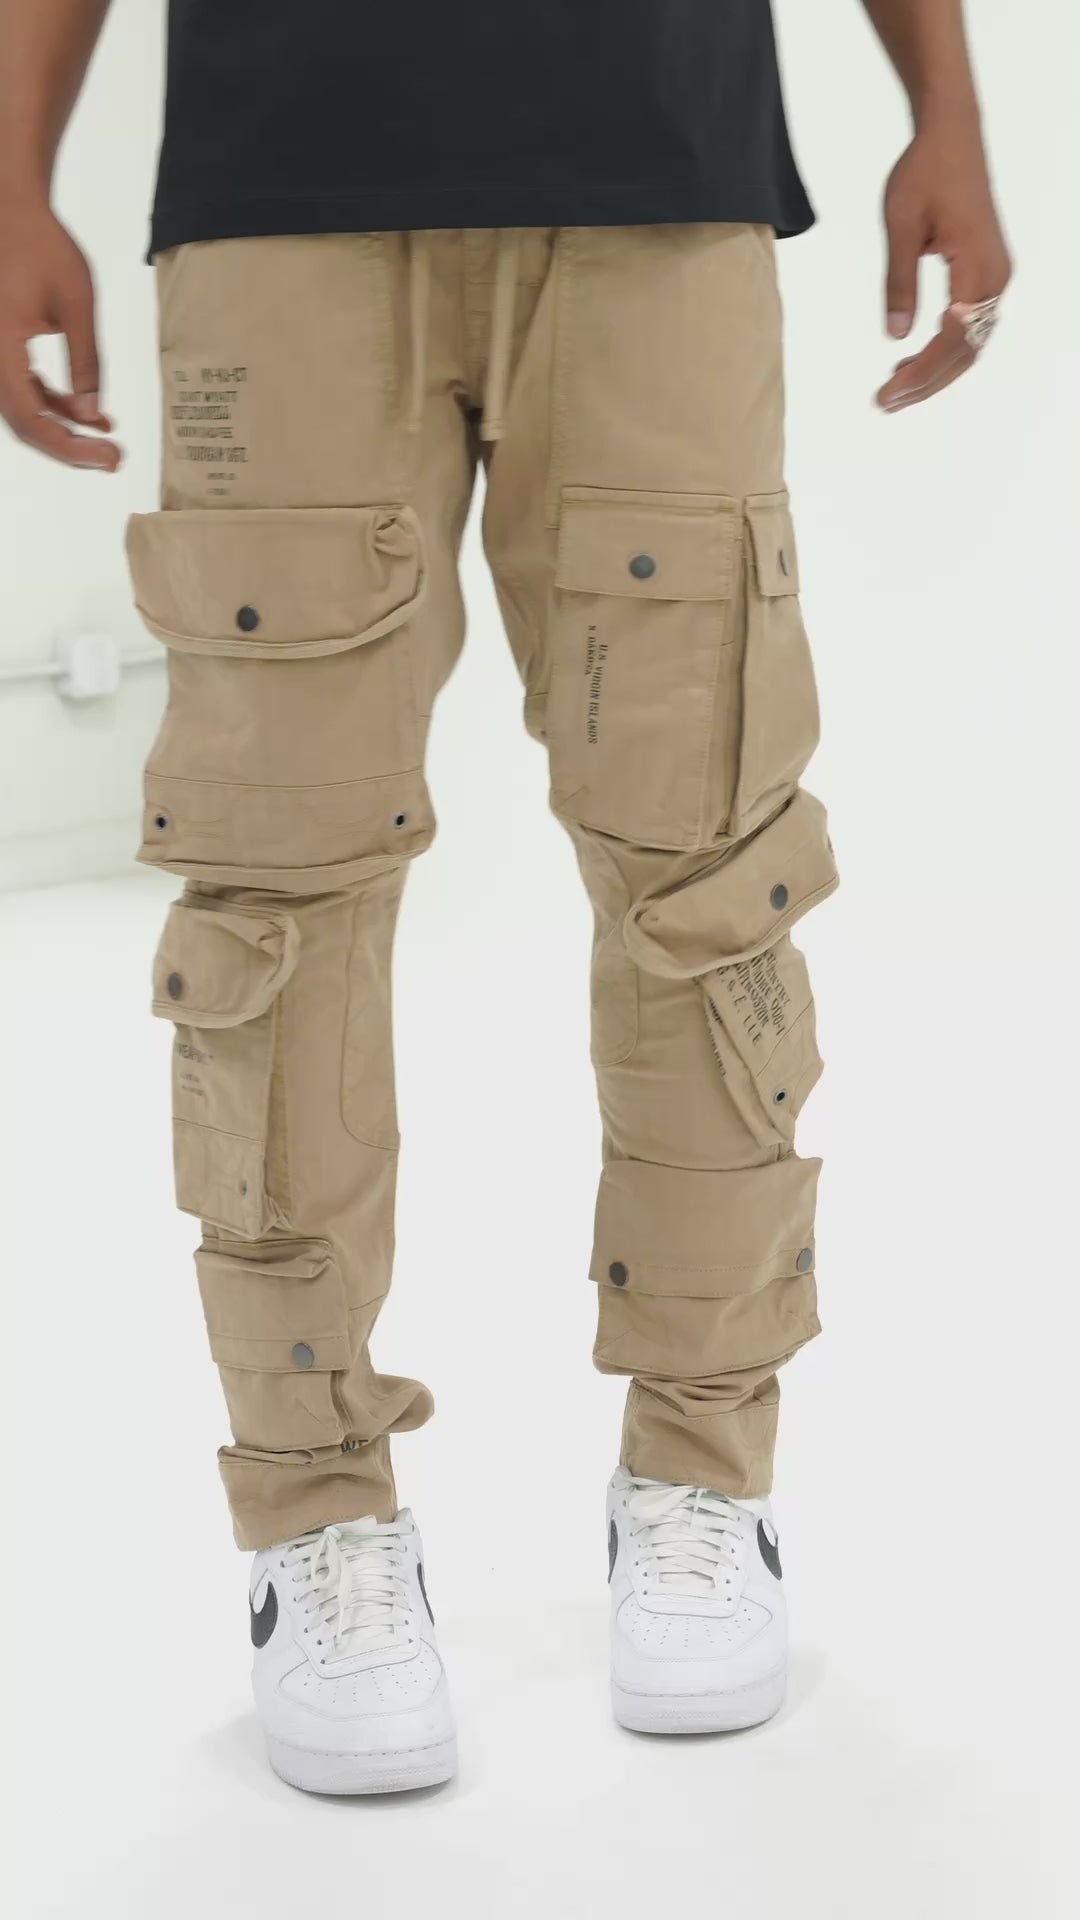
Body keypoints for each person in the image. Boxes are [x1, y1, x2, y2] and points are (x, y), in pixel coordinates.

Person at [0, 0, 1010, 1795]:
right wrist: (13, 173)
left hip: (657, 162)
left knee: (706, 863)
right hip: (281, 182)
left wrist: (948, 104)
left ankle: (702, 1473)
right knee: (275, 890)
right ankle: (315, 1512)